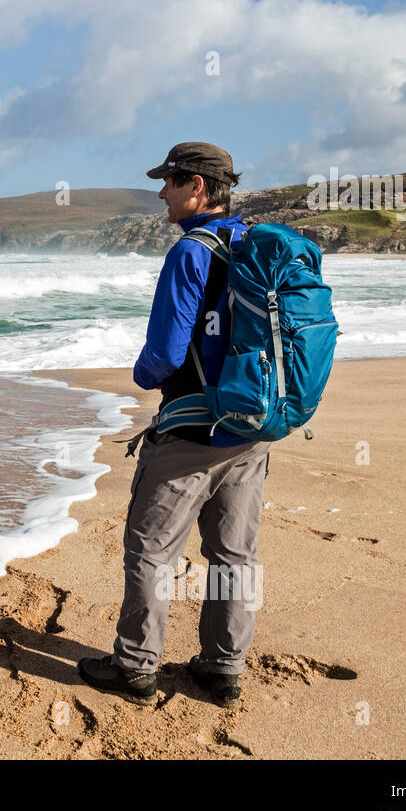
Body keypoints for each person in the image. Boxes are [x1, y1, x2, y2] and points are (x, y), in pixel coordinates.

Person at [78, 142, 273, 708]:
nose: (161, 193)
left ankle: (136, 667)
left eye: (168, 182)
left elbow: (161, 357)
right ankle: (222, 667)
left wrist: (143, 374)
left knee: (151, 551)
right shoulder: (253, 243)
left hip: (192, 431)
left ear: (196, 186)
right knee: (234, 555)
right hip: (254, 424)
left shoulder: (190, 252)